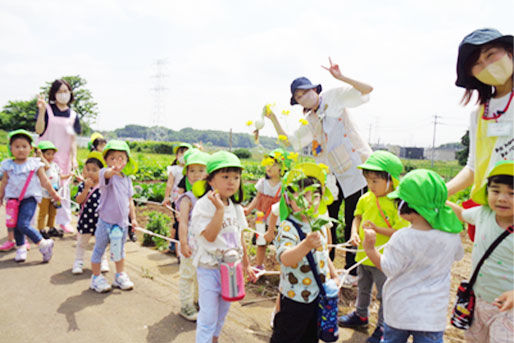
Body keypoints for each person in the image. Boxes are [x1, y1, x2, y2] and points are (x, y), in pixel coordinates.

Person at [265, 57, 373, 286]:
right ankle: (326, 265)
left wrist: (341, 76)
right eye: (298, 97)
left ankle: (353, 273)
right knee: (327, 220)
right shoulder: (309, 120)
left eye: (304, 93)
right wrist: (273, 119)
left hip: (355, 170)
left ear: (314, 89)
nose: (302, 98)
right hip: (332, 177)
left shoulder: (335, 97)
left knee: (354, 218)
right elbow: (289, 143)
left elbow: (367, 90)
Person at [363, 169, 463, 343]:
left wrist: (370, 250)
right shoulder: (451, 236)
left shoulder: (401, 237)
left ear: (404, 206)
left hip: (399, 311)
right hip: (431, 316)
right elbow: (458, 255)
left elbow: (388, 268)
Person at [338, 151, 409, 343]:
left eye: (375, 181)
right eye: (368, 181)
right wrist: (354, 232)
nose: (371, 185)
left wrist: (377, 229)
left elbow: (400, 232)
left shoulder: (398, 203)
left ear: (392, 180)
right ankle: (361, 315)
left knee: (384, 294)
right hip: (363, 255)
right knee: (363, 287)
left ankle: (383, 327)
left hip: (384, 259)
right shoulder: (365, 198)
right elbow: (357, 217)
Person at [190, 150, 256, 343]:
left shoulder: (236, 208)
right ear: (211, 181)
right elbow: (210, 237)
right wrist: (219, 209)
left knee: (223, 311)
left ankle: (214, 339)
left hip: (232, 269)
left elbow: (239, 238)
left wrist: (247, 264)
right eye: (225, 176)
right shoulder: (204, 206)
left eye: (236, 177)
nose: (231, 182)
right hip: (210, 268)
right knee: (208, 315)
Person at [270, 162, 338, 343]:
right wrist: (306, 245)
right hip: (295, 297)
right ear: (289, 200)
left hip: (316, 296)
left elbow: (322, 253)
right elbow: (285, 258)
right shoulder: (288, 227)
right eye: (302, 195)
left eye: (315, 195)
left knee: (310, 337)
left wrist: (333, 273)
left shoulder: (318, 223)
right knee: (287, 336)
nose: (309, 200)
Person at [447, 160, 513, 343]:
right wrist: (440, 200)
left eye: (512, 193)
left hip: (509, 308)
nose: (502, 198)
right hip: (480, 300)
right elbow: (461, 214)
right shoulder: (484, 213)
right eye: (496, 190)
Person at [447, 28, 513, 199]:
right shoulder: (480, 114)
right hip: (490, 208)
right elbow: (473, 167)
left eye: (490, 55)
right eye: (477, 63)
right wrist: (441, 191)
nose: (486, 65)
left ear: (509, 53)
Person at [0, 129, 61, 263]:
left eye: (24, 146)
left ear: (30, 148)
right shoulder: (7, 165)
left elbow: (45, 181)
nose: (21, 149)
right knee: (15, 224)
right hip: (12, 200)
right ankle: (21, 248)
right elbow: (4, 182)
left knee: (23, 223)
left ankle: (42, 243)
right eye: (17, 146)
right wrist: (1, 196)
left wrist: (54, 193)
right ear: (11, 148)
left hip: (29, 199)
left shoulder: (35, 164)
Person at [89, 140, 139, 293]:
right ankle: (96, 278)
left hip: (122, 223)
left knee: (119, 250)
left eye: (121, 158)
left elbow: (130, 201)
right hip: (105, 221)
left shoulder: (127, 179)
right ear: (106, 161)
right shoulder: (105, 174)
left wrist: (134, 219)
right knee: (99, 249)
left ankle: (119, 275)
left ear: (126, 160)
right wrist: (112, 170)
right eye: (112, 158)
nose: (117, 161)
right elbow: (107, 173)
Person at [35, 79, 80, 233]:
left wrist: (74, 158)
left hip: (64, 157)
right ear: (54, 94)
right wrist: (41, 111)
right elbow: (39, 130)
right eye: (59, 91)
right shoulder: (46, 109)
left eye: (66, 91)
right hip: (45, 158)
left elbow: (73, 139)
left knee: (63, 190)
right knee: (42, 190)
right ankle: (40, 223)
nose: (63, 95)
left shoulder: (73, 115)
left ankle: (63, 221)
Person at [244, 148, 294, 270]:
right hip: (262, 217)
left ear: (283, 168)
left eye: (274, 164)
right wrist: (248, 209)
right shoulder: (262, 182)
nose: (269, 167)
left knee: (281, 243)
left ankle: (284, 267)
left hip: (278, 220)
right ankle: (259, 265)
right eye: (268, 164)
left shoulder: (284, 184)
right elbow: (257, 198)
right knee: (261, 243)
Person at [176, 149, 209, 321]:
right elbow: (182, 222)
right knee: (188, 274)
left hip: (206, 246)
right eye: (192, 171)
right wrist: (183, 243)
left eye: (201, 170)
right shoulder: (187, 198)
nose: (196, 175)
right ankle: (186, 305)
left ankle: (198, 301)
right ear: (187, 173)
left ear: (208, 173)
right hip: (190, 244)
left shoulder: (211, 196)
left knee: (201, 275)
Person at [71, 151, 110, 275]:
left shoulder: (105, 186)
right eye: (87, 169)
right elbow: (78, 200)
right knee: (82, 242)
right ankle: (78, 262)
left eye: (94, 169)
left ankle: (103, 261)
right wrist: (86, 189)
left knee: (101, 241)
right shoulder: (83, 185)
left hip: (101, 219)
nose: (90, 172)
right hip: (86, 218)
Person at [35, 140, 71, 239]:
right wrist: (40, 156)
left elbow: (61, 176)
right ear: (41, 154)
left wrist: (69, 175)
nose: (51, 156)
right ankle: (41, 230)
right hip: (44, 194)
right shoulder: (41, 166)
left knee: (53, 212)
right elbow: (46, 166)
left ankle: (51, 228)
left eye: (52, 154)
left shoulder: (55, 165)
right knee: (43, 212)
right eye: (48, 154)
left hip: (55, 194)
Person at [163, 142, 192, 255]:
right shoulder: (174, 169)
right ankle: (177, 249)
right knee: (179, 222)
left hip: (190, 199)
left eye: (186, 153)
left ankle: (173, 243)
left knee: (184, 222)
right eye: (181, 153)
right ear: (176, 156)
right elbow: (169, 184)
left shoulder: (191, 168)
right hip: (177, 200)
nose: (183, 155)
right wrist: (166, 197)